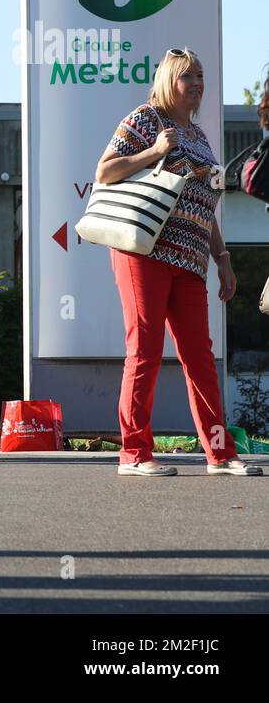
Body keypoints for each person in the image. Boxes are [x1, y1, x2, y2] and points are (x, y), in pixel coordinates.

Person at [95, 47, 261, 478]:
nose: (198, 84)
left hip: (189, 261)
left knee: (200, 357)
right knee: (145, 350)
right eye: (188, 76)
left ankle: (220, 454)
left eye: (201, 76)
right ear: (169, 80)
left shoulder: (200, 137)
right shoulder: (145, 119)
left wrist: (222, 257)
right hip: (143, 253)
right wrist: (154, 151)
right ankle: (134, 454)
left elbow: (203, 205)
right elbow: (105, 172)